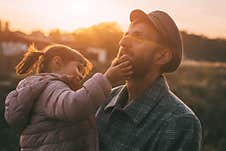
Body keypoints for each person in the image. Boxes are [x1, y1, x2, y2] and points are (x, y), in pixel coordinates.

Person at [97, 9, 202, 151]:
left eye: (138, 37)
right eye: (125, 34)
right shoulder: (106, 97)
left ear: (162, 56)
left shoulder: (180, 122)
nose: (123, 42)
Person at [4, 44, 133, 151]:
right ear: (57, 63)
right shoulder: (51, 88)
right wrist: (107, 79)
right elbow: (75, 106)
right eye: (79, 68)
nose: (81, 76)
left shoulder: (47, 89)